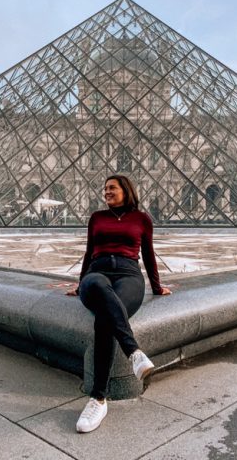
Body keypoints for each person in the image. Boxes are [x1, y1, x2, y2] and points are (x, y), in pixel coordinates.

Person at [66, 174, 172, 433]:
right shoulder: (97, 218)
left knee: (106, 318)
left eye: (112, 188)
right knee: (99, 289)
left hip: (128, 275)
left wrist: (157, 287)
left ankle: (98, 398)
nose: (106, 192)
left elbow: (148, 255)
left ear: (126, 190)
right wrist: (81, 284)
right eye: (105, 189)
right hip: (97, 273)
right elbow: (89, 252)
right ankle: (134, 352)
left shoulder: (142, 219)